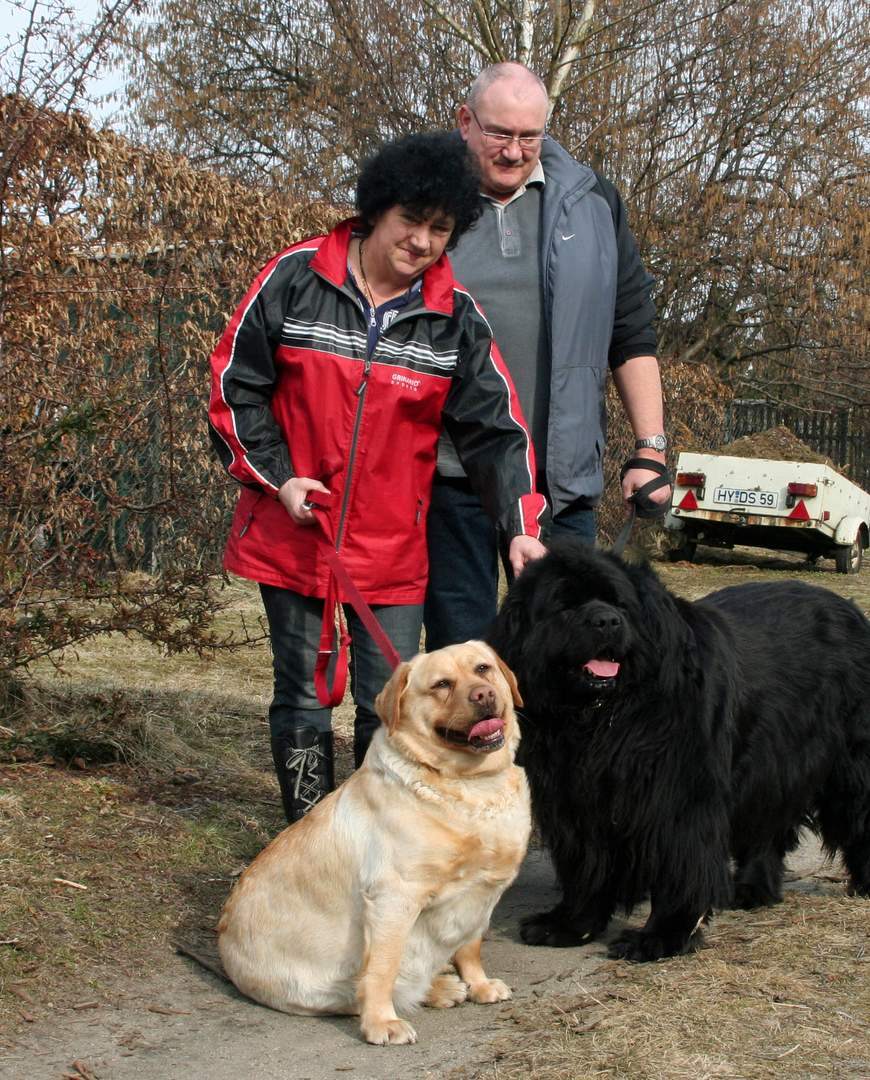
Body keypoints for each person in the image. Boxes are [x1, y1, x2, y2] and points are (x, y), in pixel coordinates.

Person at [208, 132, 548, 822]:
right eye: (410, 221)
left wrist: (519, 527)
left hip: (392, 547)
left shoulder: (454, 319)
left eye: (440, 229)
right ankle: (307, 837)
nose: (421, 241)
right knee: (302, 692)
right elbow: (233, 388)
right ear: (375, 211)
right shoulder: (294, 278)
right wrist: (280, 479)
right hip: (296, 533)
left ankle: (373, 843)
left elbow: (496, 432)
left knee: (389, 699)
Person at [424, 62, 672, 650]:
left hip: (560, 478)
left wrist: (650, 449)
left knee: (570, 654)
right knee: (466, 656)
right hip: (450, 474)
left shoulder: (591, 202)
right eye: (499, 135)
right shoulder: (424, 202)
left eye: (529, 137)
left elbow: (631, 331)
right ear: (465, 122)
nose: (514, 152)